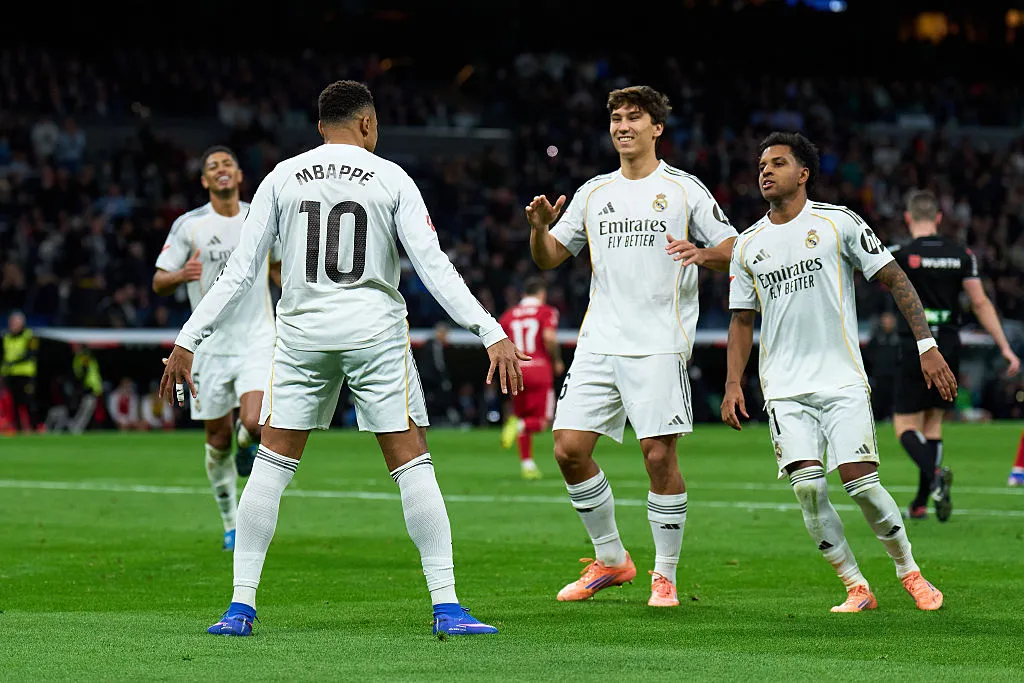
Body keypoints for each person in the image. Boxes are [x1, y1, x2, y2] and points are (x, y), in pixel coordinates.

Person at [159, 80, 526, 637]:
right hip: (373, 335)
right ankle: (448, 606)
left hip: (302, 338)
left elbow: (239, 272)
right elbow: (433, 265)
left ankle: (239, 608)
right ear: (367, 123)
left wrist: (188, 339)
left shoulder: (282, 176)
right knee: (411, 461)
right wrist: (489, 330)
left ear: (320, 128)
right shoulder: (392, 177)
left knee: (271, 465)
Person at [722, 131, 953, 613]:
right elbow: (741, 320)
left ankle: (909, 572)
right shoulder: (747, 244)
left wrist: (927, 344)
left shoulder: (838, 222)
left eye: (778, 163)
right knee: (808, 488)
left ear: (803, 173)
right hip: (783, 387)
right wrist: (731, 384)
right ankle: (855, 586)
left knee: (861, 484)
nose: (766, 171)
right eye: (762, 165)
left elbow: (894, 277)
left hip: (841, 378)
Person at [526, 85, 737, 608]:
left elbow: (735, 248)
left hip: (660, 342)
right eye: (617, 118)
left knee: (658, 455)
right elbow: (549, 256)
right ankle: (612, 559)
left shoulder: (683, 189)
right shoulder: (595, 191)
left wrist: (702, 252)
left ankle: (665, 575)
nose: (623, 126)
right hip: (599, 340)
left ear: (656, 128)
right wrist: (538, 230)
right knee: (568, 449)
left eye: (634, 117)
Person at [152, 145, 282, 551]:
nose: (221, 169)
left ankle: (247, 443)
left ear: (239, 175)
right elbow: (158, 281)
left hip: (257, 338)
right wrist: (181, 275)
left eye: (228, 163)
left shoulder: (260, 217)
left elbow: (279, 268)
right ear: (205, 180)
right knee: (218, 438)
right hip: (207, 346)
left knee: (256, 423)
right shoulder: (189, 225)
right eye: (213, 166)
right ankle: (230, 523)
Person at [888, 190, 1021, 515]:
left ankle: (934, 478)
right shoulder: (962, 254)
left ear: (908, 218)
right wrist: (1005, 347)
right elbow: (980, 302)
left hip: (916, 344)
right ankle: (922, 503)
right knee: (933, 423)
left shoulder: (899, 254)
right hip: (948, 344)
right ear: (938, 218)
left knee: (905, 425)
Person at [498, 276, 564, 479]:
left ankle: (527, 465)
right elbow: (549, 337)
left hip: (515, 370)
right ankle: (516, 426)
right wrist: (557, 360)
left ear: (523, 294)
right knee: (543, 421)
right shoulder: (546, 311)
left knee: (523, 416)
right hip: (538, 368)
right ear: (542, 294)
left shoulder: (508, 315)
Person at [1, 311, 40, 432]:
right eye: (11, 322)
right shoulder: (6, 337)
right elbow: (4, 357)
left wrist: (14, 362)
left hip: (26, 375)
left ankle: (32, 427)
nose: (12, 325)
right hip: (10, 374)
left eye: (15, 322)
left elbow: (31, 353)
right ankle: (17, 428)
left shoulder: (29, 336)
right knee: (14, 402)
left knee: (28, 402)